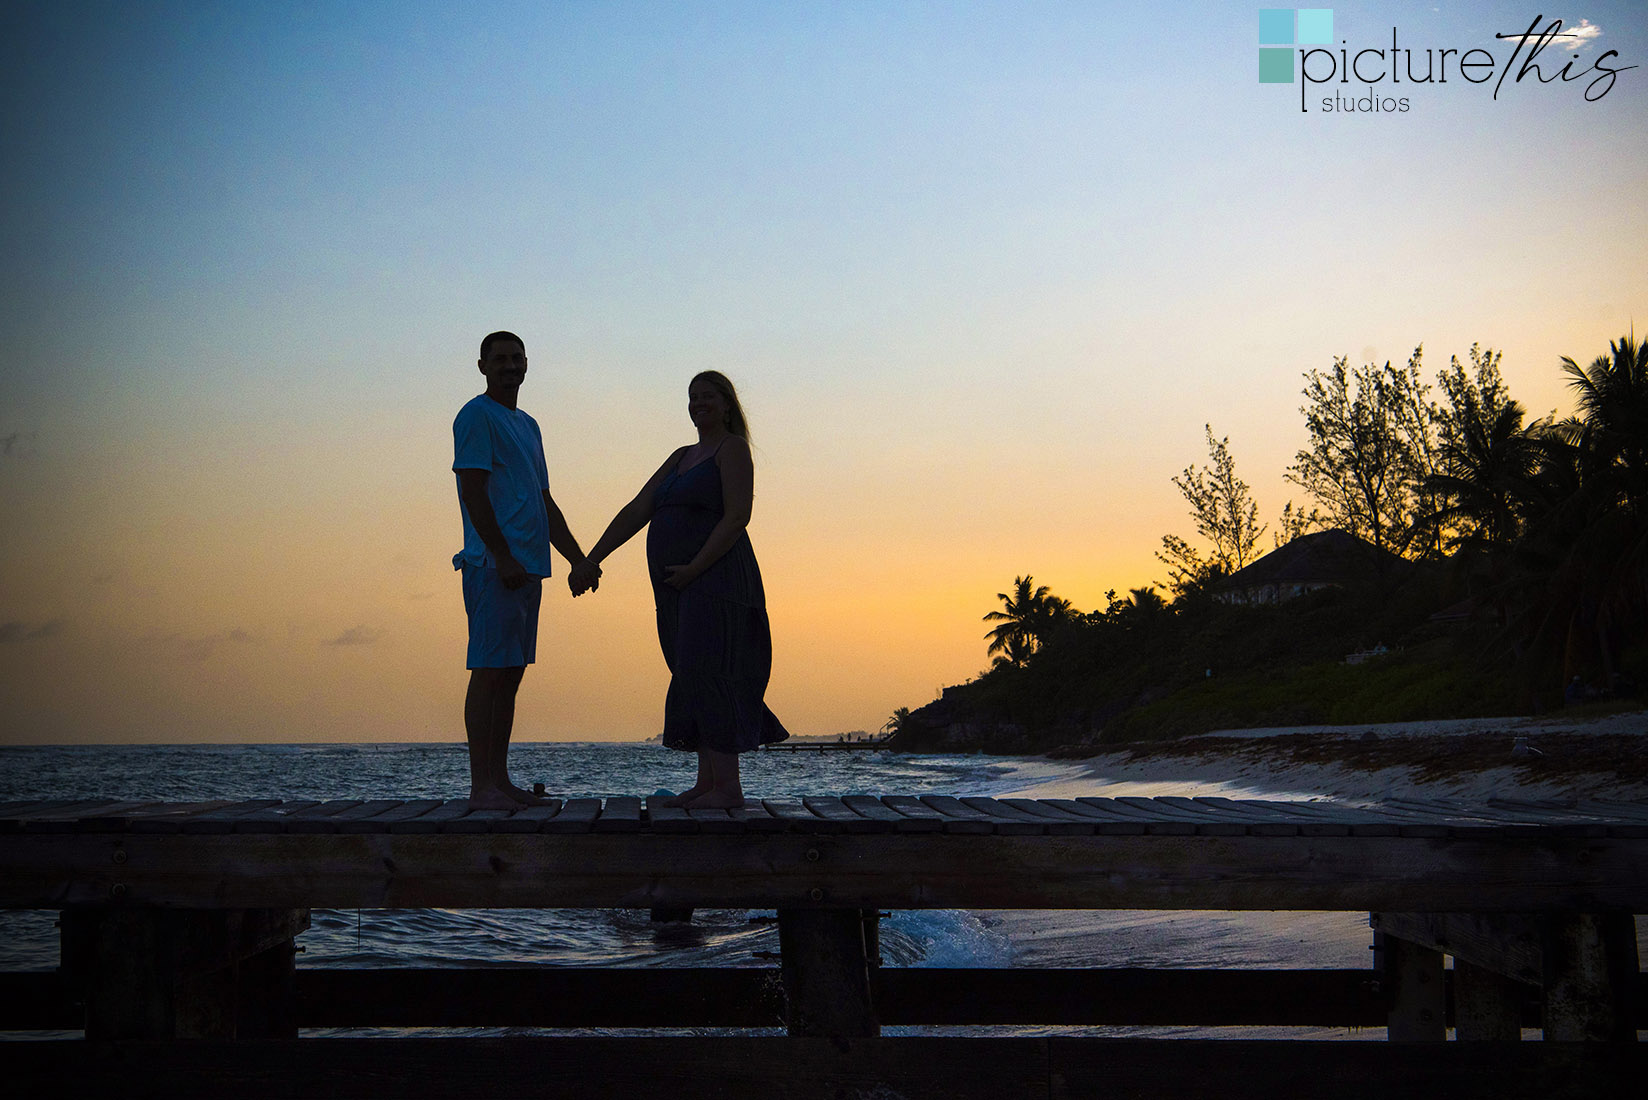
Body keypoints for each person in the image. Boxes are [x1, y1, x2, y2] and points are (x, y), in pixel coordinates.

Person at [572, 371, 788, 807]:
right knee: (690, 672)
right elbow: (637, 509)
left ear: (727, 404)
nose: (697, 403)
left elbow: (737, 517)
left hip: (718, 581)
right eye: (692, 397)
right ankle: (708, 782)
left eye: (707, 396)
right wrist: (592, 558)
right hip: (678, 588)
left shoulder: (733, 450)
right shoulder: (680, 457)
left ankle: (728, 787)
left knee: (714, 670)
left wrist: (696, 567)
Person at [453, 331, 594, 809]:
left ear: (528, 364)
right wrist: (503, 555)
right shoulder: (475, 416)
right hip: (494, 566)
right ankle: (481, 788)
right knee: (489, 672)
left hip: (529, 568)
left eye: (517, 358)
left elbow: (543, 499)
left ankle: (500, 781)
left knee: (510, 674)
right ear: (482, 366)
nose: (510, 366)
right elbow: (473, 491)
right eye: (500, 359)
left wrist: (578, 557)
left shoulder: (529, 425)